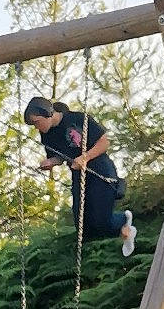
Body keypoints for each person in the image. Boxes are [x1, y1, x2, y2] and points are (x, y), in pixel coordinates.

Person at [22, 96, 136, 256]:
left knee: (101, 221)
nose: (36, 127)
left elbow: (104, 142)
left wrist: (85, 157)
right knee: (83, 227)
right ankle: (110, 245)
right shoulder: (46, 135)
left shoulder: (78, 119)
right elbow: (60, 157)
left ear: (48, 113)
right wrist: (50, 162)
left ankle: (124, 220)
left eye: (36, 122)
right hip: (78, 177)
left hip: (100, 172)